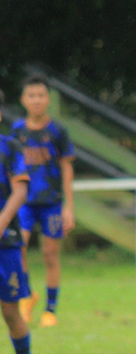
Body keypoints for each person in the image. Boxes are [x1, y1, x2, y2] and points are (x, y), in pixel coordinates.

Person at [13, 74, 74, 328]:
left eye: (41, 95)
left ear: (48, 99)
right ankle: (27, 297)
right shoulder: (17, 130)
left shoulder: (58, 131)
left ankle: (50, 309)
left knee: (50, 255)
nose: (36, 100)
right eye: (31, 96)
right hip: (24, 202)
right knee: (19, 249)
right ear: (23, 100)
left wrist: (69, 207)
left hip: (51, 202)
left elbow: (67, 168)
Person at [0, 89, 39, 354]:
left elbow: (20, 190)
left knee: (10, 309)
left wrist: (2, 222)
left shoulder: (9, 148)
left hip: (6, 243)